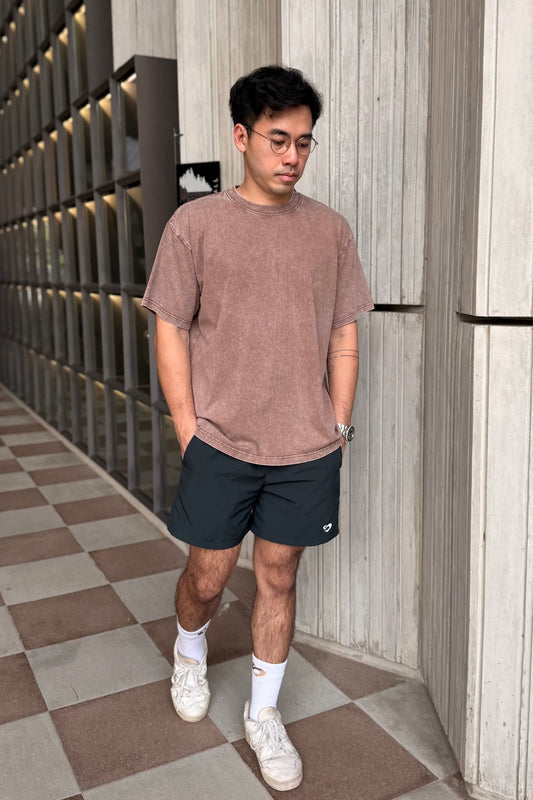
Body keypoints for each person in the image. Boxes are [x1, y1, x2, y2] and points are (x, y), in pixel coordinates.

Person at [141, 65, 373, 792]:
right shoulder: (197, 224)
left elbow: (343, 331)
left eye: (304, 142)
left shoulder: (328, 229)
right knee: (208, 579)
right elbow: (169, 327)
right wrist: (189, 428)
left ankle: (263, 713)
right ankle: (188, 650)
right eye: (278, 139)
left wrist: (337, 421)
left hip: (305, 446)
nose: (292, 156)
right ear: (241, 137)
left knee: (279, 575)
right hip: (221, 441)